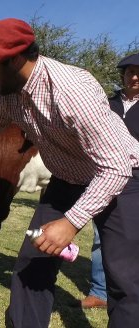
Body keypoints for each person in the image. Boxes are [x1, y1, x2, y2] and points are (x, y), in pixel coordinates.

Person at [0, 18, 139, 328]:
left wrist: (71, 222)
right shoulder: (7, 95)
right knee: (32, 267)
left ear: (15, 59)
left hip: (122, 179)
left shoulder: (72, 89)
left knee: (126, 280)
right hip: (67, 178)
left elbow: (115, 166)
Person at [79, 53, 139, 309]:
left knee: (133, 239)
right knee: (101, 235)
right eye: (129, 72)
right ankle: (100, 291)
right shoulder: (108, 103)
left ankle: (128, 290)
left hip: (137, 180)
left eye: (138, 72)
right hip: (105, 177)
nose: (134, 76)